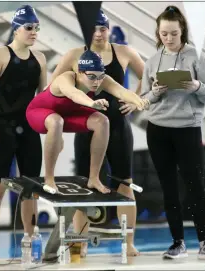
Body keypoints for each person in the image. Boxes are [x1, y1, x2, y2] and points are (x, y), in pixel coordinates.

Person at [51, 10, 145, 257]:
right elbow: (54, 86)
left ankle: (129, 241)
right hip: (87, 129)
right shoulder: (74, 55)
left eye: (103, 28)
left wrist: (136, 101)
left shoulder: (123, 52)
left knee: (125, 183)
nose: (99, 33)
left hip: (118, 129)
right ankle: (80, 242)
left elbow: (149, 76)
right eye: (94, 28)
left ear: (108, 28)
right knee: (84, 186)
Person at [140, 5, 205, 260]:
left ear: (182, 31)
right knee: (168, 186)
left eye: (173, 34)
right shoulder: (153, 61)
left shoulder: (197, 58)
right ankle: (177, 242)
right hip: (158, 130)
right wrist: (156, 91)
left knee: (195, 185)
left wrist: (197, 85)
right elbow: (144, 98)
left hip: (187, 129)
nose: (168, 38)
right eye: (164, 33)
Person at [26, 50, 149, 195]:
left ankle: (94, 178)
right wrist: (91, 103)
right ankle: (49, 179)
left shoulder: (101, 79)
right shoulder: (65, 78)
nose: (97, 82)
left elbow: (122, 92)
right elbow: (74, 94)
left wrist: (138, 101)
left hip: (68, 115)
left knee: (102, 121)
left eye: (100, 77)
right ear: (79, 72)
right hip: (39, 112)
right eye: (91, 77)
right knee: (56, 121)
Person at [0, 5, 47, 262]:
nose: (34, 32)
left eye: (36, 28)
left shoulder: (40, 58)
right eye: (29, 28)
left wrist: (50, 129)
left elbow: (42, 98)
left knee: (30, 189)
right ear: (16, 29)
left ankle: (30, 242)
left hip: (28, 129)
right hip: (1, 129)